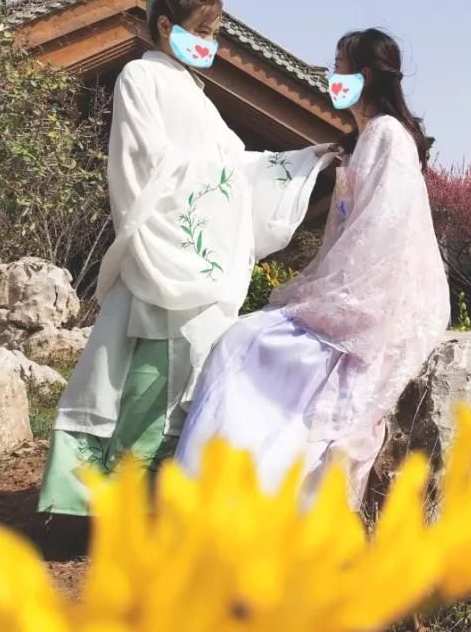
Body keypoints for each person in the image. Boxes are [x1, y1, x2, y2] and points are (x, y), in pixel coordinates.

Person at [38, 0, 337, 516]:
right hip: (165, 247)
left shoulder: (190, 90)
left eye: (215, 34)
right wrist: (222, 173)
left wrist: (297, 162)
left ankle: (140, 504)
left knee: (175, 387)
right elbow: (142, 161)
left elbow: (236, 161)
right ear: (164, 28)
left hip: (196, 259)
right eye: (202, 32)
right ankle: (105, 505)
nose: (211, 43)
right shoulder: (141, 77)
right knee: (140, 385)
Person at [176, 28, 449, 510]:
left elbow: (383, 232)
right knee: (244, 340)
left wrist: (329, 290)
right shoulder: (364, 138)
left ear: (363, 75)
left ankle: (237, 492)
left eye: (339, 66)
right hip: (353, 281)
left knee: (244, 341)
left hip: (379, 292)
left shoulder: (387, 135)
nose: (331, 76)